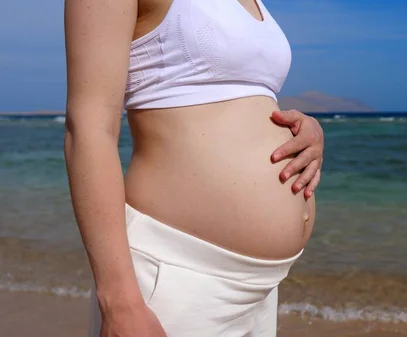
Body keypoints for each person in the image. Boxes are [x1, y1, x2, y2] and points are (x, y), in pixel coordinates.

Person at [63, 0, 324, 336]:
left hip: (262, 286)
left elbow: (236, 95)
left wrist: (305, 129)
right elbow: (88, 130)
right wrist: (118, 300)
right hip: (177, 273)